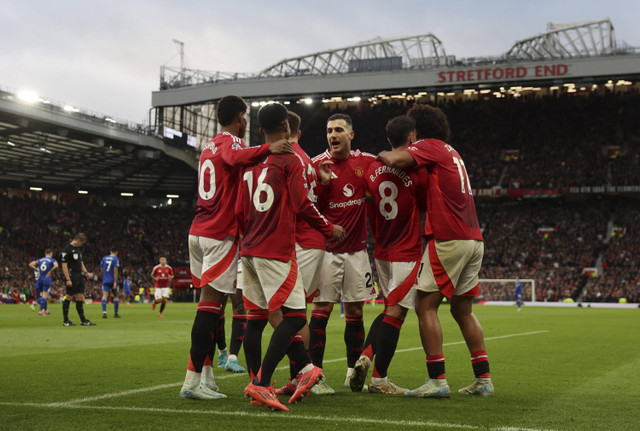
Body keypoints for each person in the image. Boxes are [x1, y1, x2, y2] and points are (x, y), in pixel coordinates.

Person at [179, 95, 294, 400]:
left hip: (198, 230)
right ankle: (191, 382)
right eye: (246, 118)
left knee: (212, 308)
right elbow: (234, 160)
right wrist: (268, 148)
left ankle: (206, 377)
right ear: (241, 117)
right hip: (218, 233)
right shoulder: (232, 142)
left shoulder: (208, 145)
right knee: (209, 306)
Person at [378, 103, 494, 397]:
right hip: (473, 238)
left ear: (416, 131)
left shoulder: (430, 146)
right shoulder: (453, 152)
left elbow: (395, 159)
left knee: (424, 306)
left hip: (449, 236)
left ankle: (437, 381)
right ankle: (483, 381)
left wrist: (376, 156)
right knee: (462, 309)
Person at [236, 102, 345, 411]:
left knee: (255, 320)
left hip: (249, 248)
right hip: (276, 248)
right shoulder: (291, 158)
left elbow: (239, 208)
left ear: (259, 132)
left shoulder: (251, 160)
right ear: (287, 128)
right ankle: (262, 382)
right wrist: (328, 228)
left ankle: (264, 382)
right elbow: (301, 204)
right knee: (296, 315)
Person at [350, 115, 427, 395]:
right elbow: (425, 204)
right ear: (411, 139)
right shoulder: (417, 171)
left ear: (388, 140)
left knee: (387, 309)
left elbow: (368, 207)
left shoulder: (371, 169)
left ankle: (365, 357)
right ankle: (380, 379)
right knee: (397, 313)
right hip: (406, 251)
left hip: (381, 250)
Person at [308, 113, 377, 393]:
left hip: (357, 251)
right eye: (328, 131)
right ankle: (315, 375)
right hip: (325, 252)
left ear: (351, 134)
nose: (332, 135)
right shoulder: (316, 165)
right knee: (321, 310)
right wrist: (324, 186)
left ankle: (352, 371)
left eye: (338, 130)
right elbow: (307, 206)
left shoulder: (367, 162)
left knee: (356, 311)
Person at [274, 111, 333, 396]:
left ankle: (306, 374)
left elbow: (299, 203)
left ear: (284, 129)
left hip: (305, 241)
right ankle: (301, 375)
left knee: (294, 312)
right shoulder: (306, 158)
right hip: (303, 241)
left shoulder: (293, 158)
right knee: (291, 310)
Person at [60, 233, 96, 326]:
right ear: (78, 240)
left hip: (79, 276)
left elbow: (81, 262)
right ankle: (65, 321)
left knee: (80, 297)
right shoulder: (66, 250)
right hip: (72, 276)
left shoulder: (78, 250)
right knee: (69, 297)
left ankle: (83, 320)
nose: (82, 245)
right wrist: (68, 279)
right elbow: (64, 265)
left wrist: (86, 272)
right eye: (82, 243)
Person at [215, 291, 247, 373]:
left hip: (239, 278)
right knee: (218, 309)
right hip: (222, 278)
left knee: (240, 307)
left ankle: (232, 358)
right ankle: (222, 351)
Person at [29, 248, 58, 316]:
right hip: (47, 279)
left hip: (40, 279)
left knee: (43, 296)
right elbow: (56, 265)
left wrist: (37, 270)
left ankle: (46, 310)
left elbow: (30, 264)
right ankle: (41, 311)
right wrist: (50, 271)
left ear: (45, 253)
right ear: (51, 253)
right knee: (45, 296)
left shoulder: (40, 260)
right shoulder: (52, 260)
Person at [100, 248, 121, 318]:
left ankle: (104, 312)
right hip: (113, 280)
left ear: (110, 251)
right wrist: (115, 281)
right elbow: (115, 270)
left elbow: (101, 269)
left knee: (104, 295)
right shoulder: (115, 259)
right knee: (116, 296)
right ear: (117, 252)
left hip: (105, 280)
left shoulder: (104, 258)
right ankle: (116, 313)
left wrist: (104, 278)